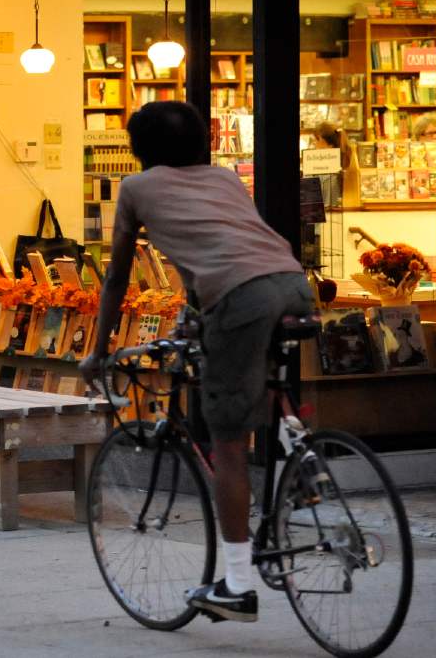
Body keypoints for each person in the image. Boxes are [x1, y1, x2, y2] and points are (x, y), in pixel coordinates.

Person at [80, 101, 312, 624]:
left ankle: (236, 586)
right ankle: (304, 456)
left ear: (138, 151)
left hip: (239, 298)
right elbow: (221, 242)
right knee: (264, 371)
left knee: (228, 446)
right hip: (292, 284)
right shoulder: (226, 178)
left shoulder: (137, 189)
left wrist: (99, 349)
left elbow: (116, 276)